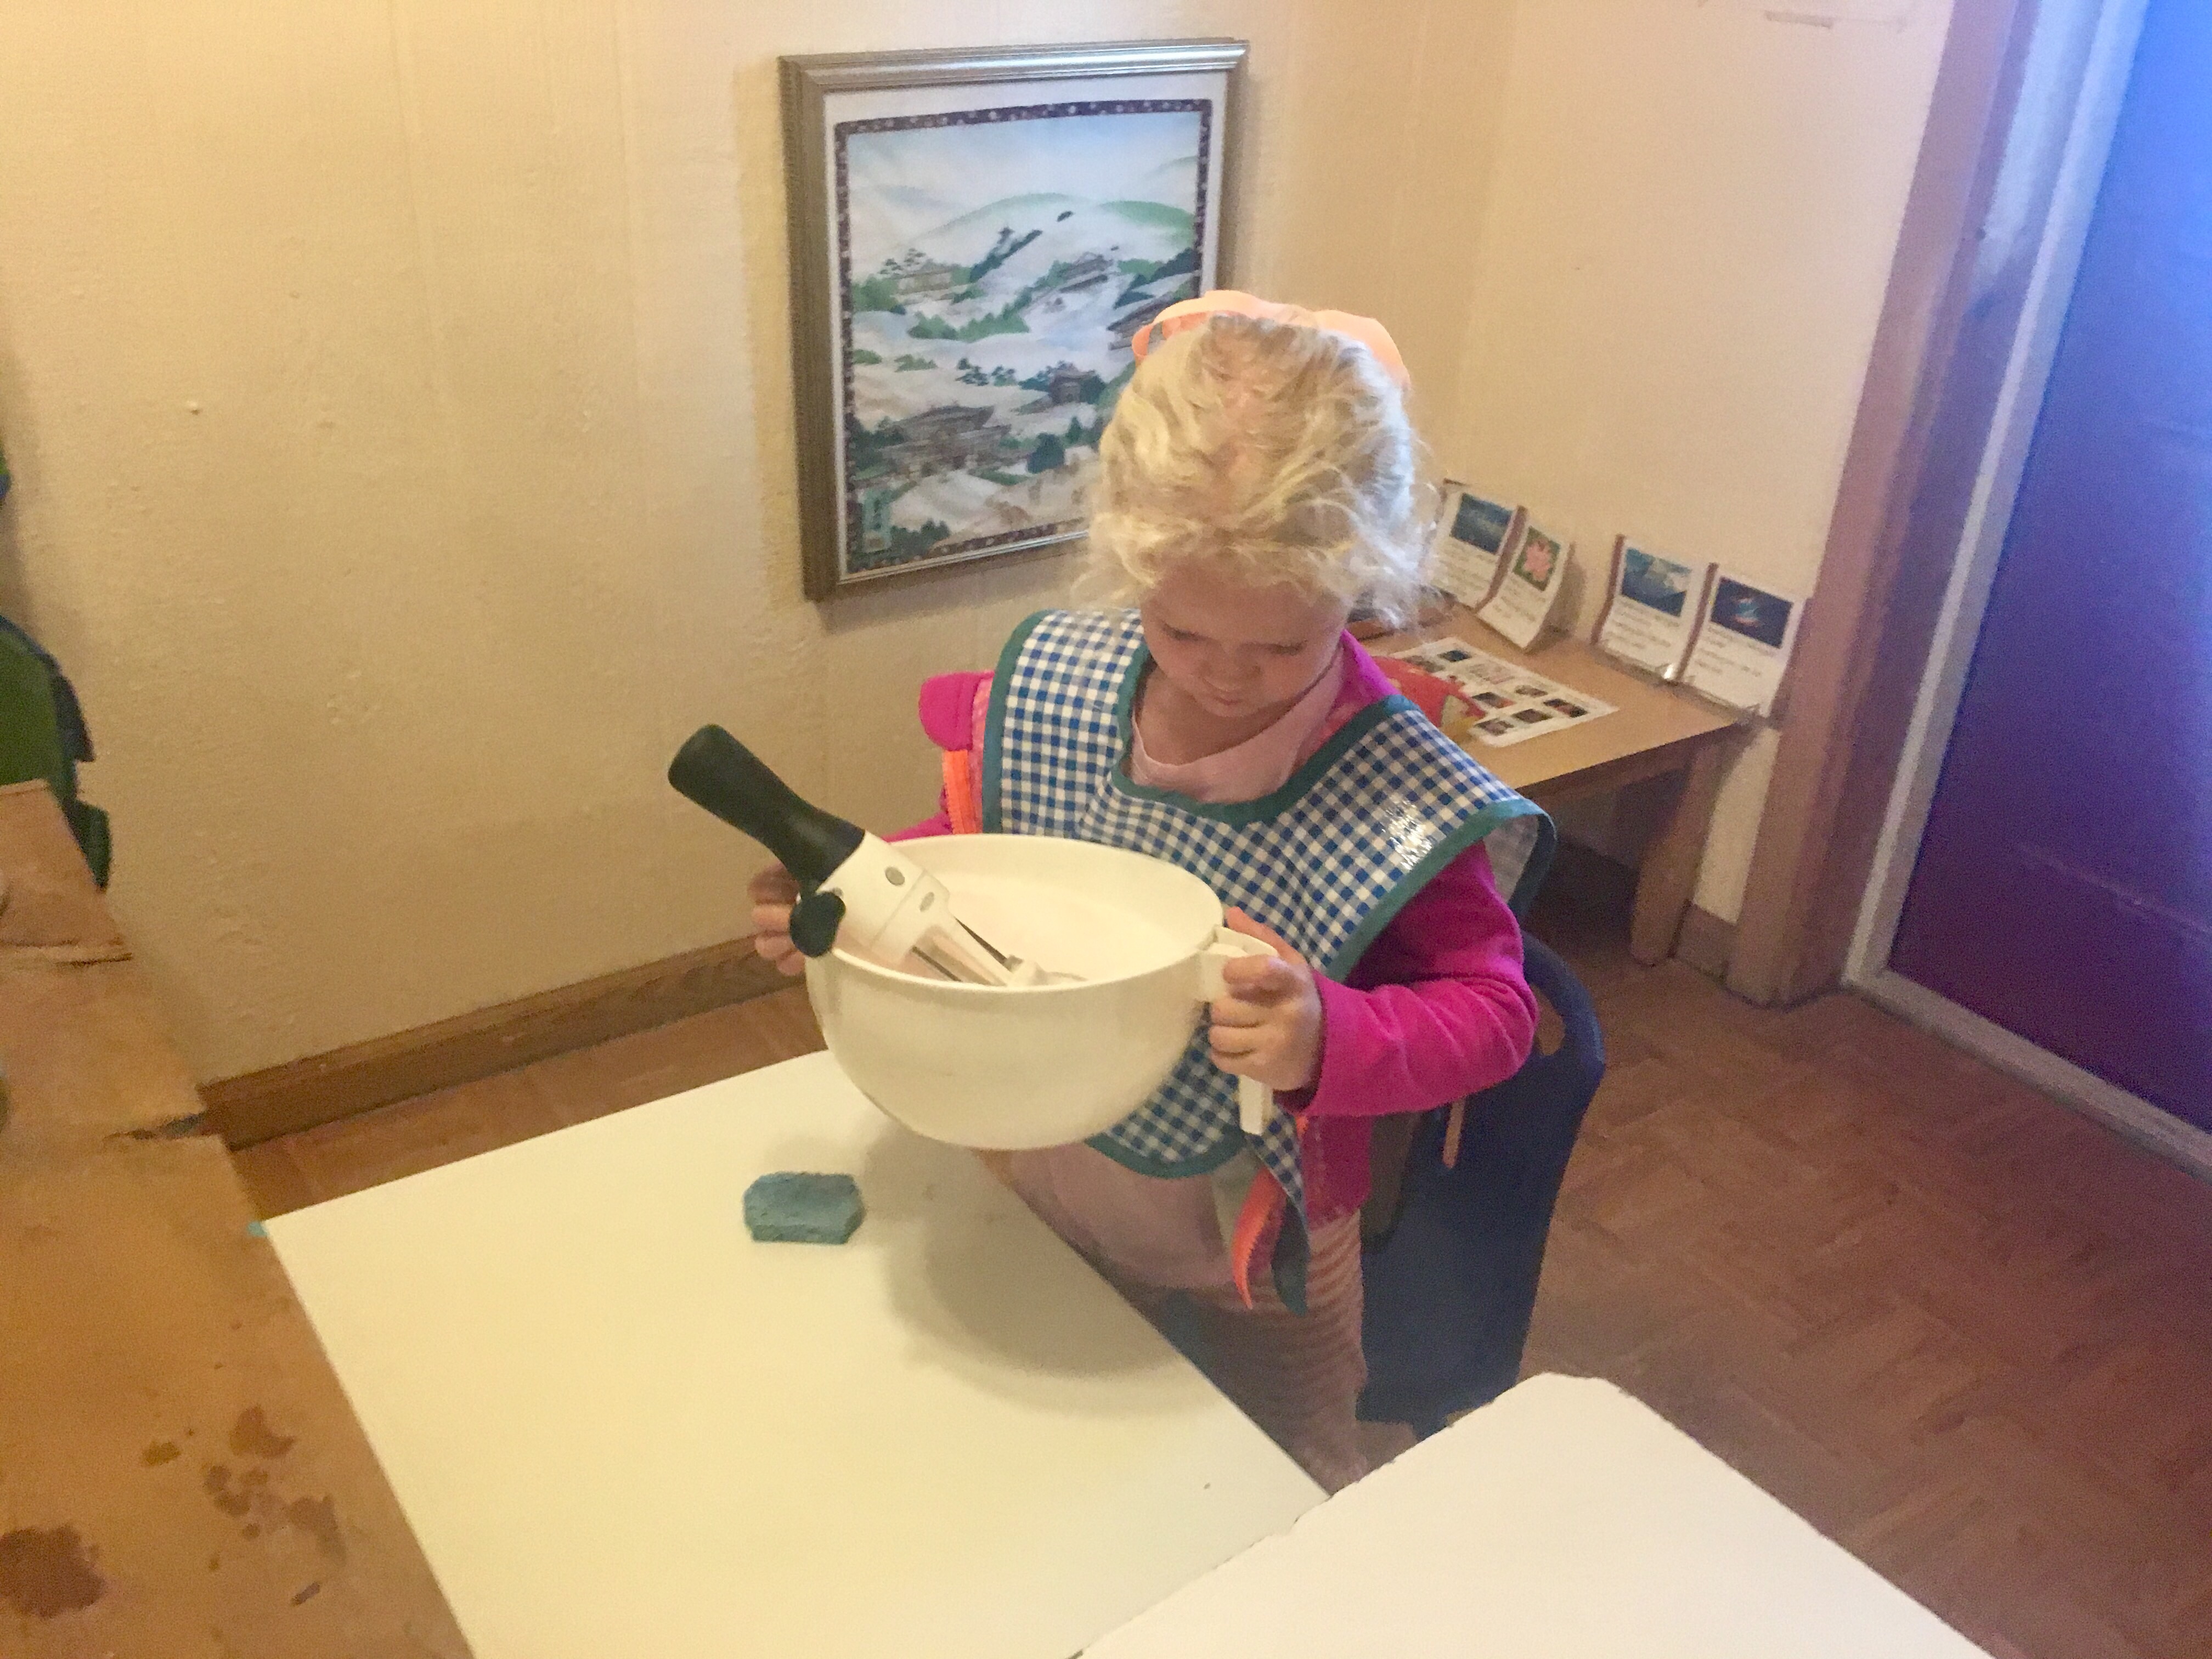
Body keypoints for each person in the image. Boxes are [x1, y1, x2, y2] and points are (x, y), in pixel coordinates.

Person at [751, 291, 1553, 1490]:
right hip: (1053, 1175)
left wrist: (1331, 1033)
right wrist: (859, 898)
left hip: (1265, 1252)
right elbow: (982, 856)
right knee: (1066, 1460)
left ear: (1364, 583)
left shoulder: (1394, 789)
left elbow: (1494, 1016)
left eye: (1282, 647)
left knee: (1283, 1476)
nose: (1227, 678)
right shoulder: (1066, 688)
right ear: (1129, 560)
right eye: (1180, 633)